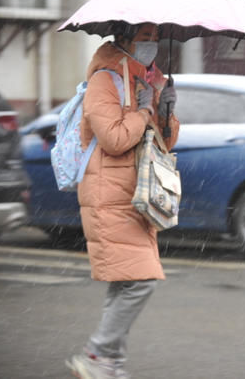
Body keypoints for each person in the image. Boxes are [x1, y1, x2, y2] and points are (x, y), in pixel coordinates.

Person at [66, 22, 179, 379]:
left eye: (156, 39)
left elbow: (163, 142)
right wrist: (144, 113)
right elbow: (114, 139)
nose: (152, 45)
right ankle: (97, 354)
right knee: (140, 280)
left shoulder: (143, 79)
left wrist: (165, 110)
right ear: (126, 39)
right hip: (108, 193)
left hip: (133, 193)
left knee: (126, 280)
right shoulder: (106, 79)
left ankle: (110, 363)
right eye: (145, 38)